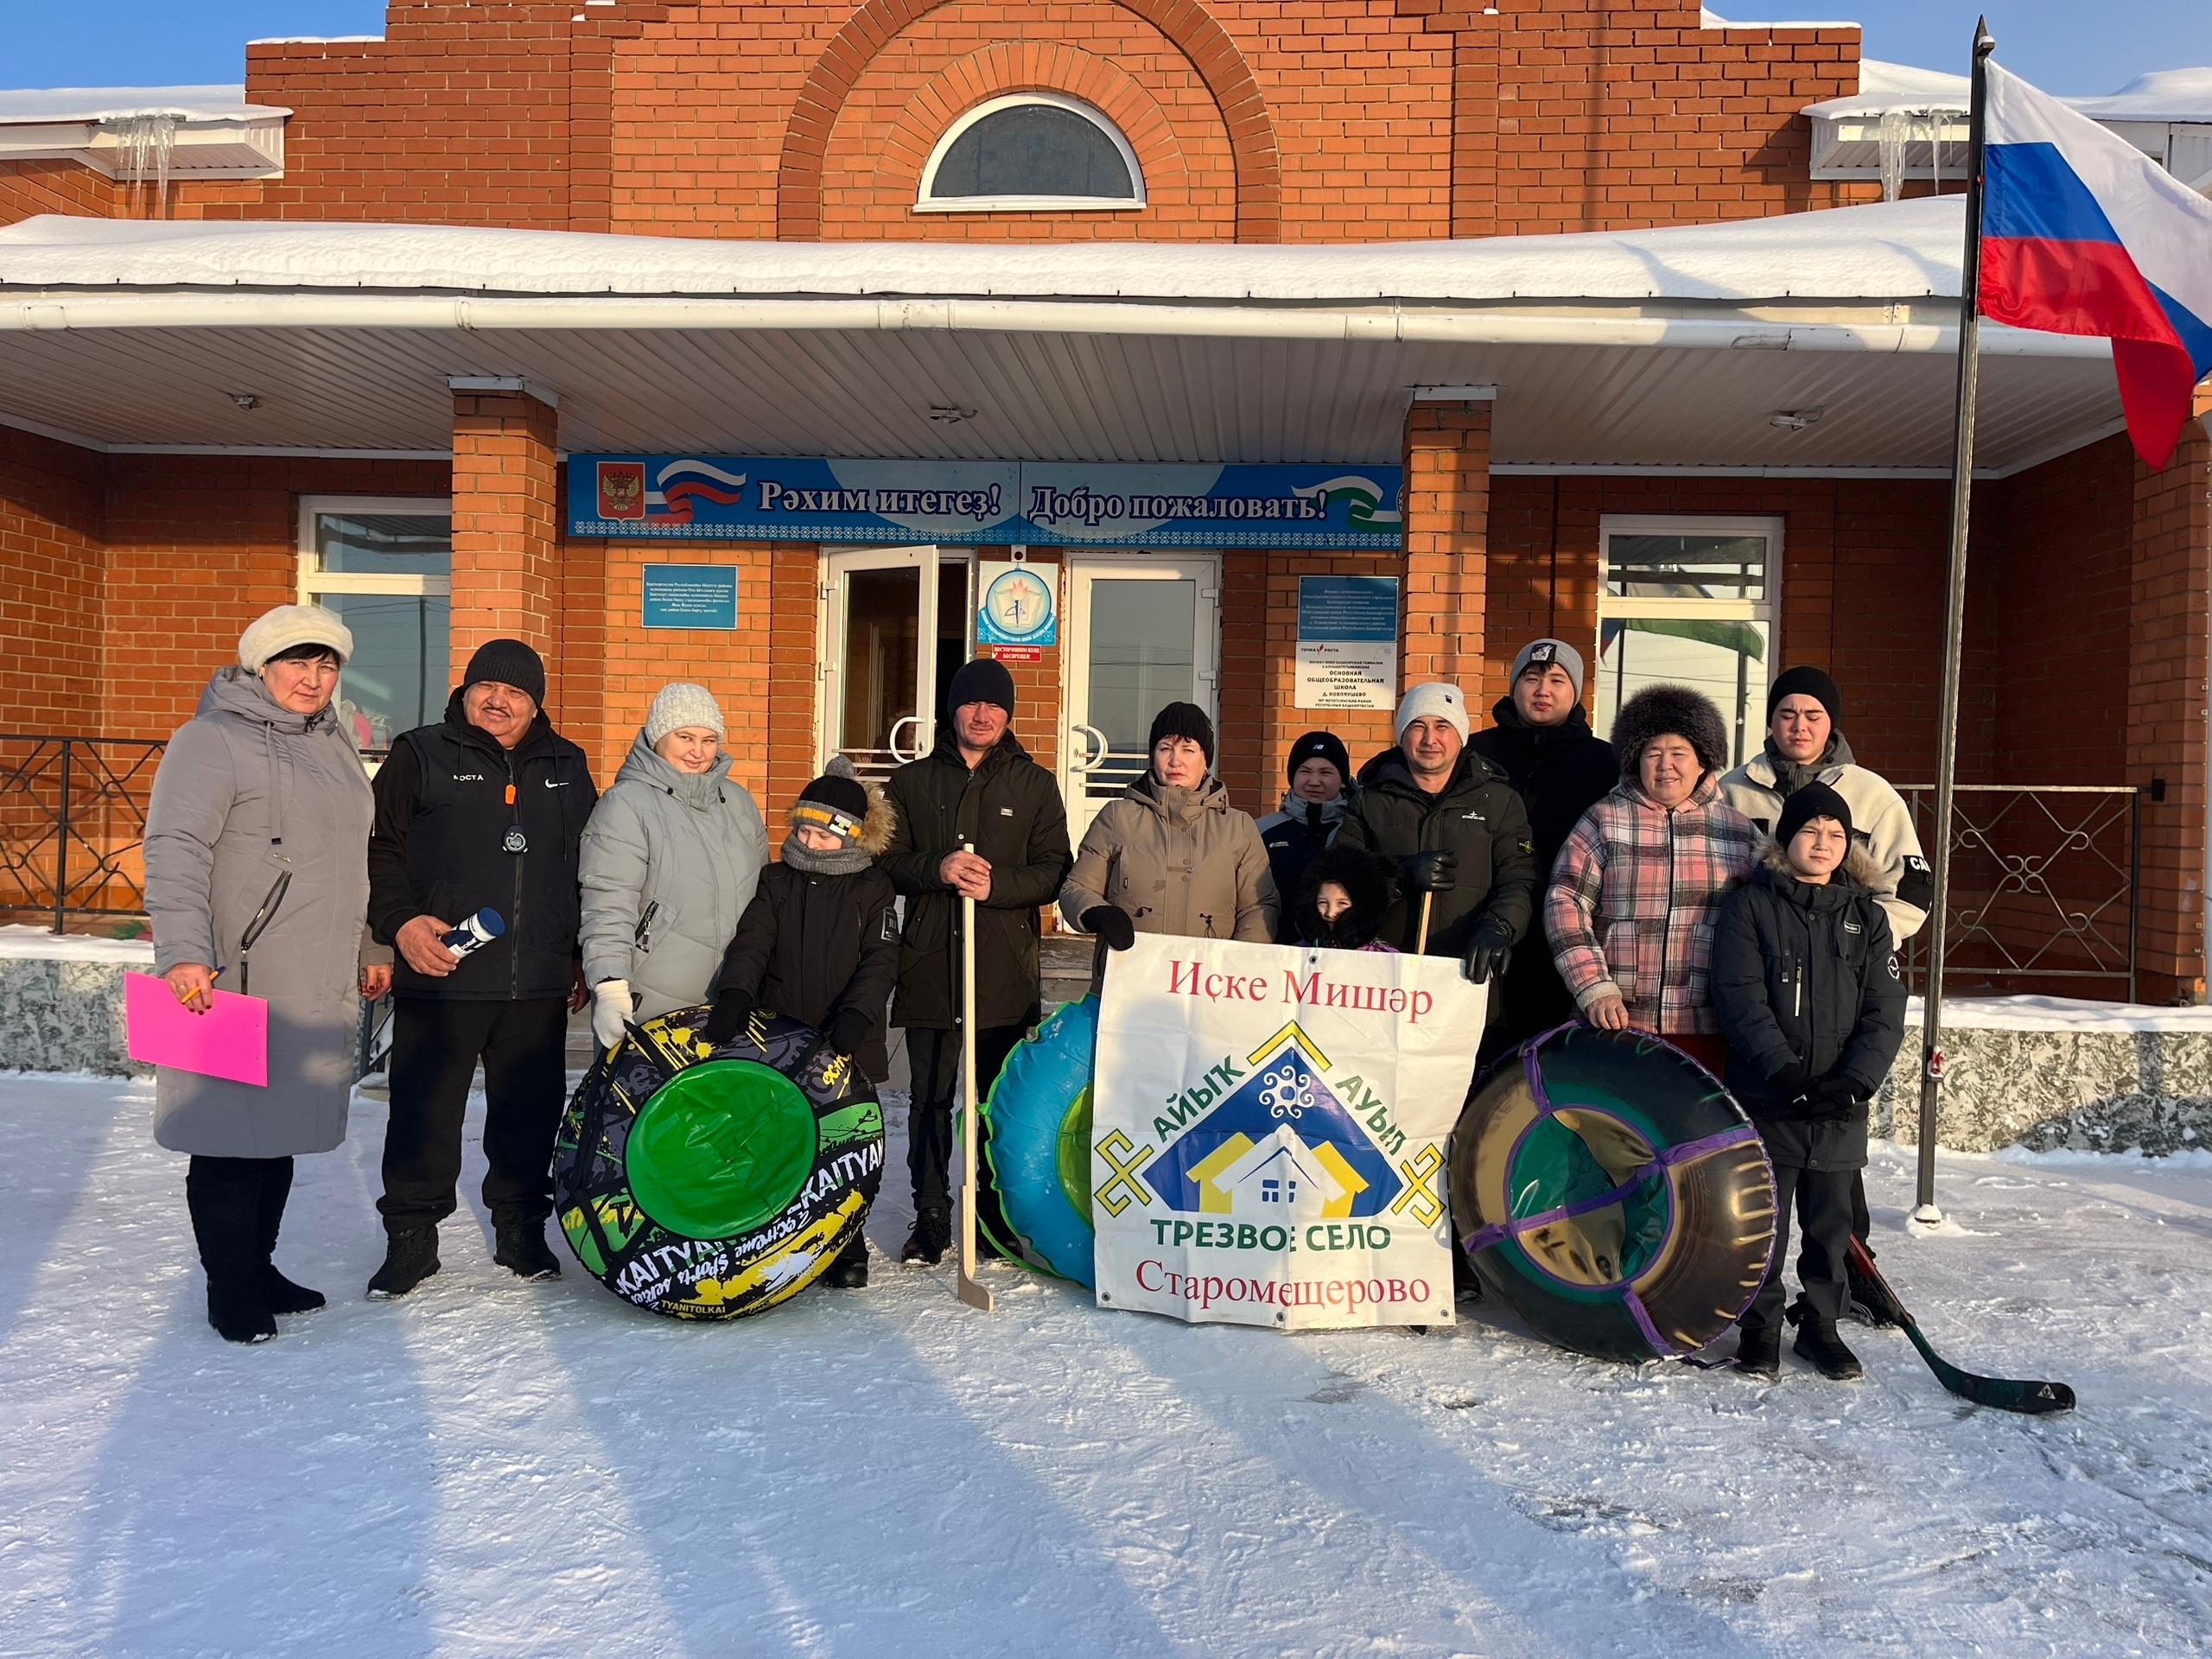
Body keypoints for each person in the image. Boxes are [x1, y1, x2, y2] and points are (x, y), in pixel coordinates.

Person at [144, 605, 392, 1343]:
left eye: (326, 667)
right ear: (260, 667)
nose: (312, 680)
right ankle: (230, 1285)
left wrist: (370, 948)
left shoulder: (333, 743)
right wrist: (185, 951)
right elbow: (174, 847)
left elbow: (358, 862)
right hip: (229, 974)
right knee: (224, 1135)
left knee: (276, 1134)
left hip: (313, 973)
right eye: (296, 664)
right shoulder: (211, 739)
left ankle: (261, 1266)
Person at [365, 639, 596, 1299]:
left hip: (539, 976)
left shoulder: (566, 763)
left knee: (528, 1111)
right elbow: (380, 850)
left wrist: (580, 951)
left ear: (535, 703)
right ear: (464, 694)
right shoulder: (420, 753)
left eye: (515, 692)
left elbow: (589, 865)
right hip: (443, 970)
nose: (498, 701)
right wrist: (401, 924)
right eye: (485, 689)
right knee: (423, 1113)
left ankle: (521, 1228)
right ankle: (411, 1239)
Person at [1718, 664, 1933, 1300]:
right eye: (1787, 714)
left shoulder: (1872, 794)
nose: (1799, 726)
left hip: (1838, 993)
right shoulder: (1736, 791)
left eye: (1813, 715)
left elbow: (1914, 886)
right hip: (1768, 989)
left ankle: (1847, 1281)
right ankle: (1756, 1298)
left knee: (1837, 1164)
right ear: (1770, 722)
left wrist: (1859, 945)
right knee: (1769, 1156)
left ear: (1832, 723)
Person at [880, 658, 1073, 1267]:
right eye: (971, 704)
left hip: (1002, 969)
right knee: (932, 1099)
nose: (982, 714)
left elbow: (1054, 871)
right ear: (952, 710)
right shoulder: (912, 784)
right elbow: (884, 860)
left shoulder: (1034, 785)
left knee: (993, 1099)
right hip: (932, 965)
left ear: (1008, 715)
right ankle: (932, 1214)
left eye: (994, 706)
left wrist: (999, 886)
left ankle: (990, 1215)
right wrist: (936, 867)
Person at [1711, 784, 1907, 1380]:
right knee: (1763, 1223)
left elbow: (1885, 1009)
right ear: (1786, 839)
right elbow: (1739, 997)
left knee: (1831, 1227)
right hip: (1772, 1097)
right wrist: (1784, 1071)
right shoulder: (1751, 908)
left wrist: (1855, 1082)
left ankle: (1820, 1324)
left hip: (1839, 1105)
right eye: (1811, 831)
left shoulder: (1866, 919)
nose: (1822, 844)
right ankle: (1760, 1328)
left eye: (1836, 835)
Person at [706, 757, 899, 1288]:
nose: (810, 843)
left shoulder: (873, 889)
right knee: (779, 1138)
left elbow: (881, 959)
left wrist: (858, 1015)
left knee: (841, 1147)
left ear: (852, 839)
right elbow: (752, 943)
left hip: (845, 1038)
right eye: (805, 830)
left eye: (824, 835)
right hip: (779, 1035)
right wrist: (736, 994)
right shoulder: (777, 880)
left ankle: (845, 1240)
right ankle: (773, 1233)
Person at [1545, 683, 1756, 1073]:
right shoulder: (1604, 820)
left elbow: (1767, 921)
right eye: (1652, 753)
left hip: (1707, 1029)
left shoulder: (1738, 831)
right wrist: (1594, 987)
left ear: (1702, 761)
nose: (1665, 766)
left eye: (1679, 753)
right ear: (1635, 760)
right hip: (1614, 1022)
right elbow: (1565, 902)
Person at [579, 682, 767, 1046]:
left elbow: (763, 898)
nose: (698, 751)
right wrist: (610, 985)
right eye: (685, 737)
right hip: (653, 1002)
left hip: (734, 996)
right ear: (657, 737)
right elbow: (607, 902)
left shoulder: (739, 803)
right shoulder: (627, 805)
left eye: (709, 740)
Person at [1334, 683, 1536, 996]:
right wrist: (1399, 877)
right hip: (1382, 982)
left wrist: (1498, 926)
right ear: (1402, 736)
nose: (1430, 739)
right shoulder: (1370, 802)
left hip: (1467, 979)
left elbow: (1519, 880)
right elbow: (1337, 883)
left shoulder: (1499, 801)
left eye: (1442, 726)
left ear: (1460, 736)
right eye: (1418, 726)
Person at [1467, 639, 1618, 1060]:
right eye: (1531, 679)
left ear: (1576, 693)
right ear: (1514, 687)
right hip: (1485, 929)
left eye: (1556, 680)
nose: (1542, 690)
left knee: (1553, 1063)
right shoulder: (1475, 753)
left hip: (1568, 939)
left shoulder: (1604, 761)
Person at [1060, 700, 1279, 952]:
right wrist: (1095, 911)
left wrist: (1241, 961)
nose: (1175, 761)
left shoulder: (1238, 827)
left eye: (1188, 750)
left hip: (1208, 980)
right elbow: (1077, 887)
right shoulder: (1117, 817)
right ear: (1153, 756)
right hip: (1129, 971)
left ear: (1205, 760)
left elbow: (1259, 906)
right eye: (1165, 749)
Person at [1255, 730, 1354, 940]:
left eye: (1325, 772)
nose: (1314, 781)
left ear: (1343, 780)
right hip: (1273, 953)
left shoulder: (1355, 830)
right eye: (1305, 771)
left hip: (1340, 956)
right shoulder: (1261, 830)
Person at [1293, 843, 1399, 953]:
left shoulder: (1382, 957)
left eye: (1342, 903)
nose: (1331, 913)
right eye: (1323, 902)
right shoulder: (1299, 954)